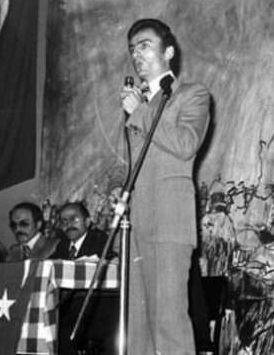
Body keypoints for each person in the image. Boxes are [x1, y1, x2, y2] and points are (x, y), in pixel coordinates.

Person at [120, 18, 211, 355]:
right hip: (137, 225)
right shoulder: (141, 104)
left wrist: (139, 113)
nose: (136, 55)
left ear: (168, 52)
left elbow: (186, 144)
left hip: (170, 222)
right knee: (138, 330)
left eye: (144, 46)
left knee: (168, 323)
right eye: (132, 49)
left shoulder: (191, 95)